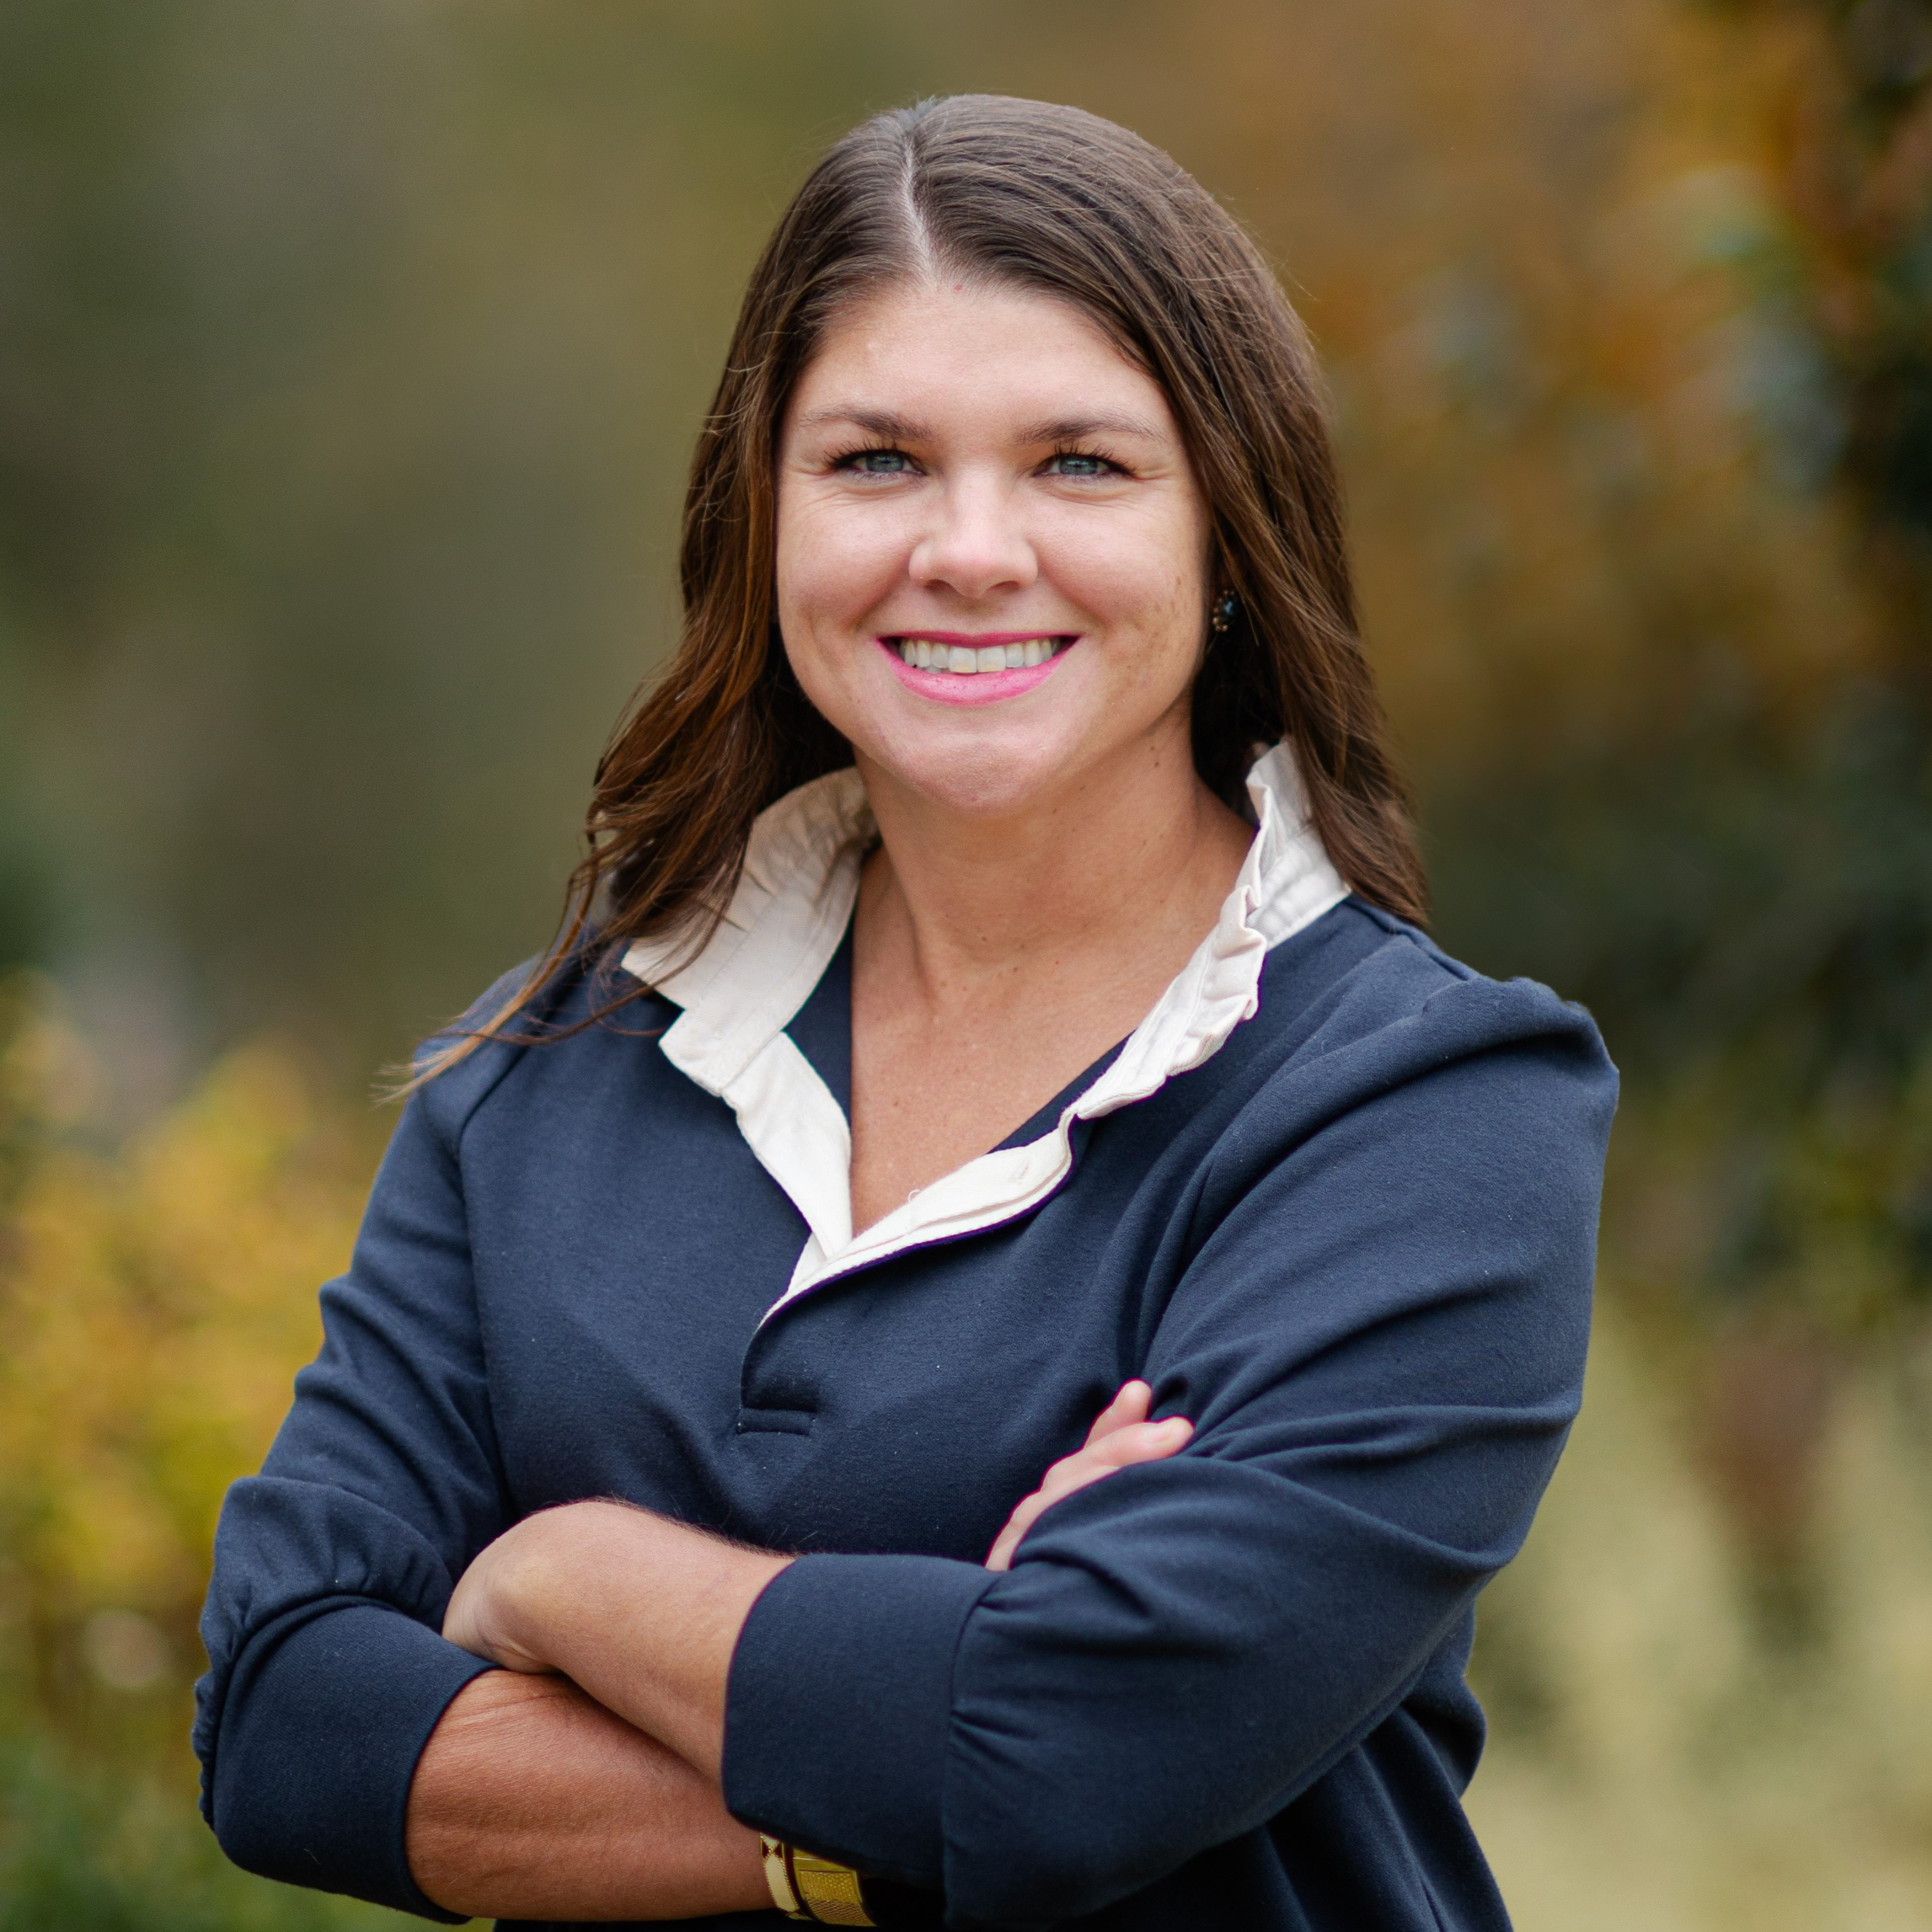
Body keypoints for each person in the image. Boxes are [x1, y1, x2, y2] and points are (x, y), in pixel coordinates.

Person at [195, 94, 1615, 1931]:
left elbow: (1078, 1744)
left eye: (1078, 465)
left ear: (1230, 532)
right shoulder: (549, 1065)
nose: (966, 548)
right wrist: (913, 1745)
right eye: (874, 460)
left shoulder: (1424, 1108)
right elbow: (285, 1716)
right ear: (760, 512)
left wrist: (563, 1574)